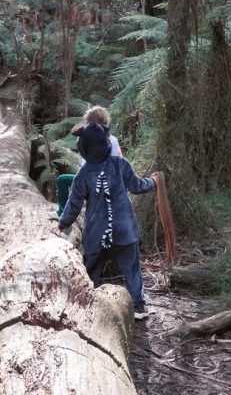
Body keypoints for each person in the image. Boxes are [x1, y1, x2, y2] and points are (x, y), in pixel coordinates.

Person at [56, 118, 158, 320]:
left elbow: (73, 204)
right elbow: (137, 186)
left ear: (83, 148)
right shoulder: (120, 164)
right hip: (125, 231)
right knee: (131, 269)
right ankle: (137, 306)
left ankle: (89, 308)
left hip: (96, 234)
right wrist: (154, 182)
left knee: (92, 271)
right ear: (106, 143)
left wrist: (63, 223)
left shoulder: (83, 174)